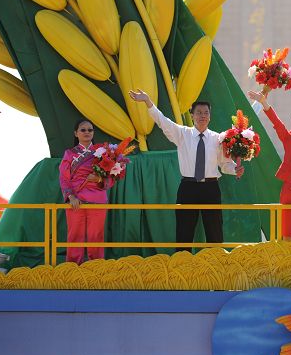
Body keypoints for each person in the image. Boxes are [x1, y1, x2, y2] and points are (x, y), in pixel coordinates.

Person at [128, 89, 243, 250]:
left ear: (210, 116)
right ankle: (182, 267)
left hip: (210, 188)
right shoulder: (183, 134)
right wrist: (148, 102)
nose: (202, 116)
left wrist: (235, 170)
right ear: (192, 115)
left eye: (206, 113)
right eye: (199, 113)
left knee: (214, 231)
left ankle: (216, 268)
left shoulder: (218, 138)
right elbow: (163, 121)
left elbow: (225, 165)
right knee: (184, 231)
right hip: (188, 187)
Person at [248, 90, 291, 239]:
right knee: (287, 237)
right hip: (290, 192)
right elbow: (277, 123)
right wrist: (263, 102)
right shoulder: (290, 138)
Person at [58, 119, 115, 264]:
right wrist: (70, 196)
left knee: (96, 236)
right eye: (83, 130)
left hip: (97, 201)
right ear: (76, 133)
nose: (87, 132)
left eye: (90, 130)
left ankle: (95, 270)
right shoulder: (69, 154)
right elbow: (64, 178)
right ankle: (72, 271)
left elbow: (111, 178)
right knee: (74, 236)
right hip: (75, 200)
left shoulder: (102, 153)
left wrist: (98, 180)